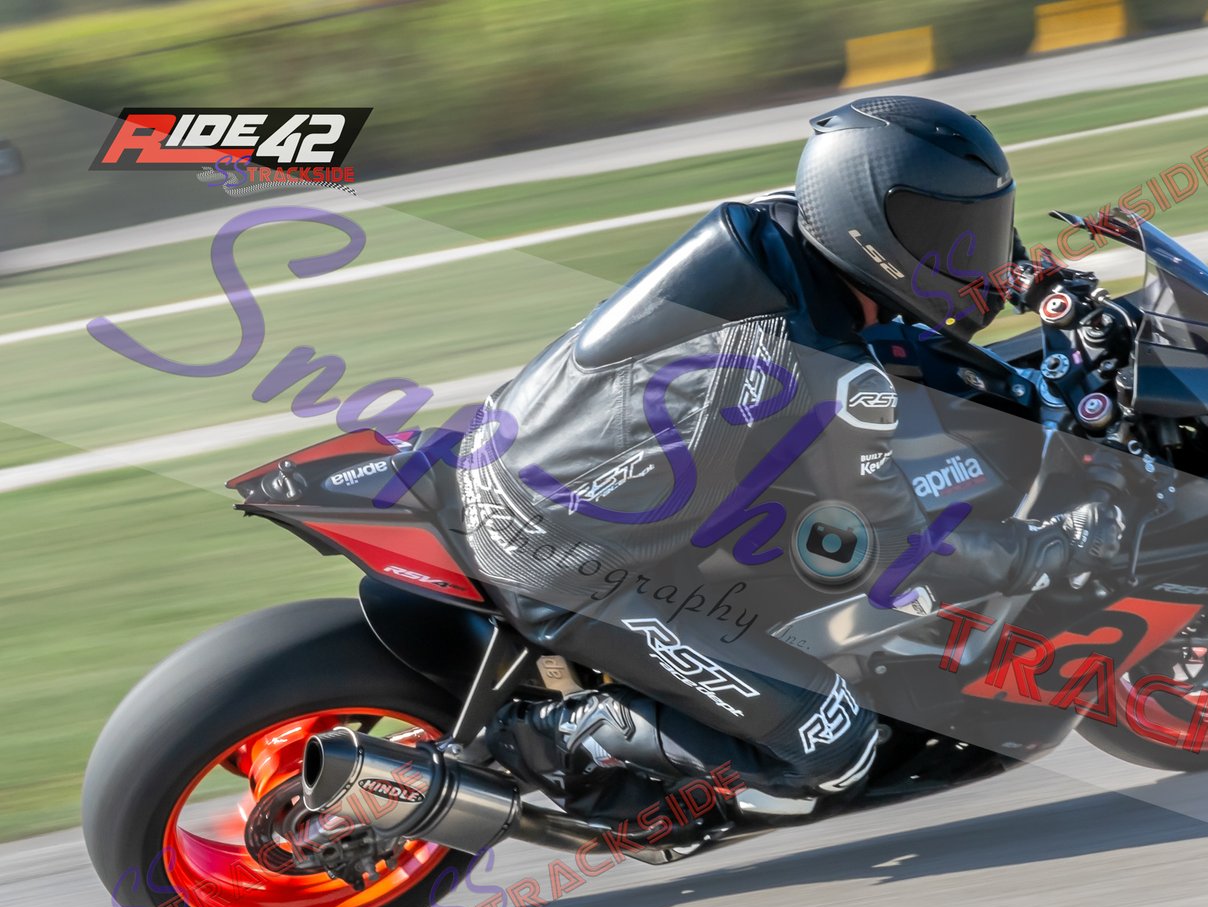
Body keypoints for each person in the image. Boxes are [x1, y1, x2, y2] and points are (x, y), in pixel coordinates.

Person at [458, 96, 1123, 829]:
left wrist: (1024, 276)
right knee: (830, 743)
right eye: (944, 234)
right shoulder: (827, 372)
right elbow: (899, 549)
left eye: (977, 229)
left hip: (540, 457)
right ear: (872, 227)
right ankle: (539, 741)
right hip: (563, 557)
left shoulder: (783, 226)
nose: (965, 250)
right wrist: (1046, 549)